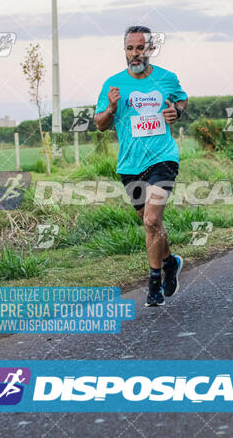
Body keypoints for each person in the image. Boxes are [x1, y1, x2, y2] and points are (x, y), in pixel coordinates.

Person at [94, 26, 188, 306]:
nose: (135, 54)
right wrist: (111, 108)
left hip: (163, 158)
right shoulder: (113, 84)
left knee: (151, 220)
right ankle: (170, 262)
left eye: (141, 48)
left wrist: (177, 111)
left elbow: (181, 98)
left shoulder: (166, 78)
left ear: (151, 49)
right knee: (151, 223)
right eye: (130, 49)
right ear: (125, 51)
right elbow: (99, 124)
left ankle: (154, 284)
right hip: (130, 166)